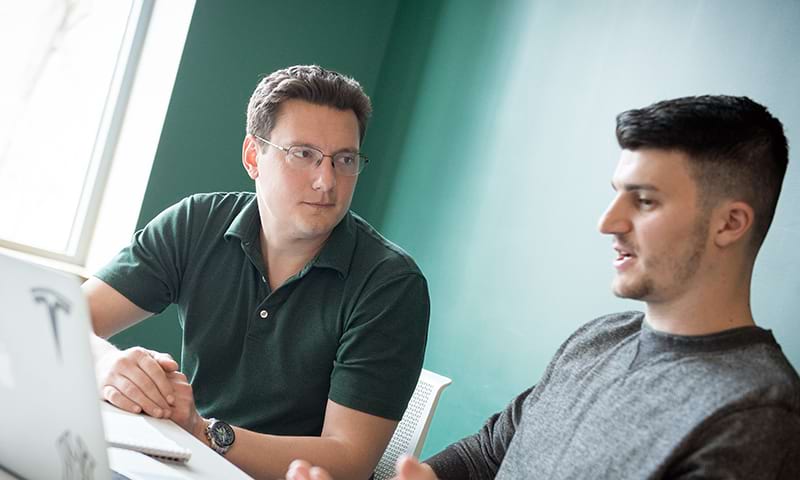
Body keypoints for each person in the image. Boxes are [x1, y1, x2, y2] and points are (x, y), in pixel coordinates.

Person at [284, 95, 800, 480]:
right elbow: (487, 454)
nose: (607, 221)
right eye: (616, 195)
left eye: (644, 201)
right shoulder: (597, 341)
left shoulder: (754, 415)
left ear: (730, 224)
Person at [84, 65, 430, 479]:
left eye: (344, 159)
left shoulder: (391, 285)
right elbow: (66, 320)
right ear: (253, 156)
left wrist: (203, 430)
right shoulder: (197, 222)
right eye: (303, 154)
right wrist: (107, 365)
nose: (326, 180)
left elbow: (349, 460)